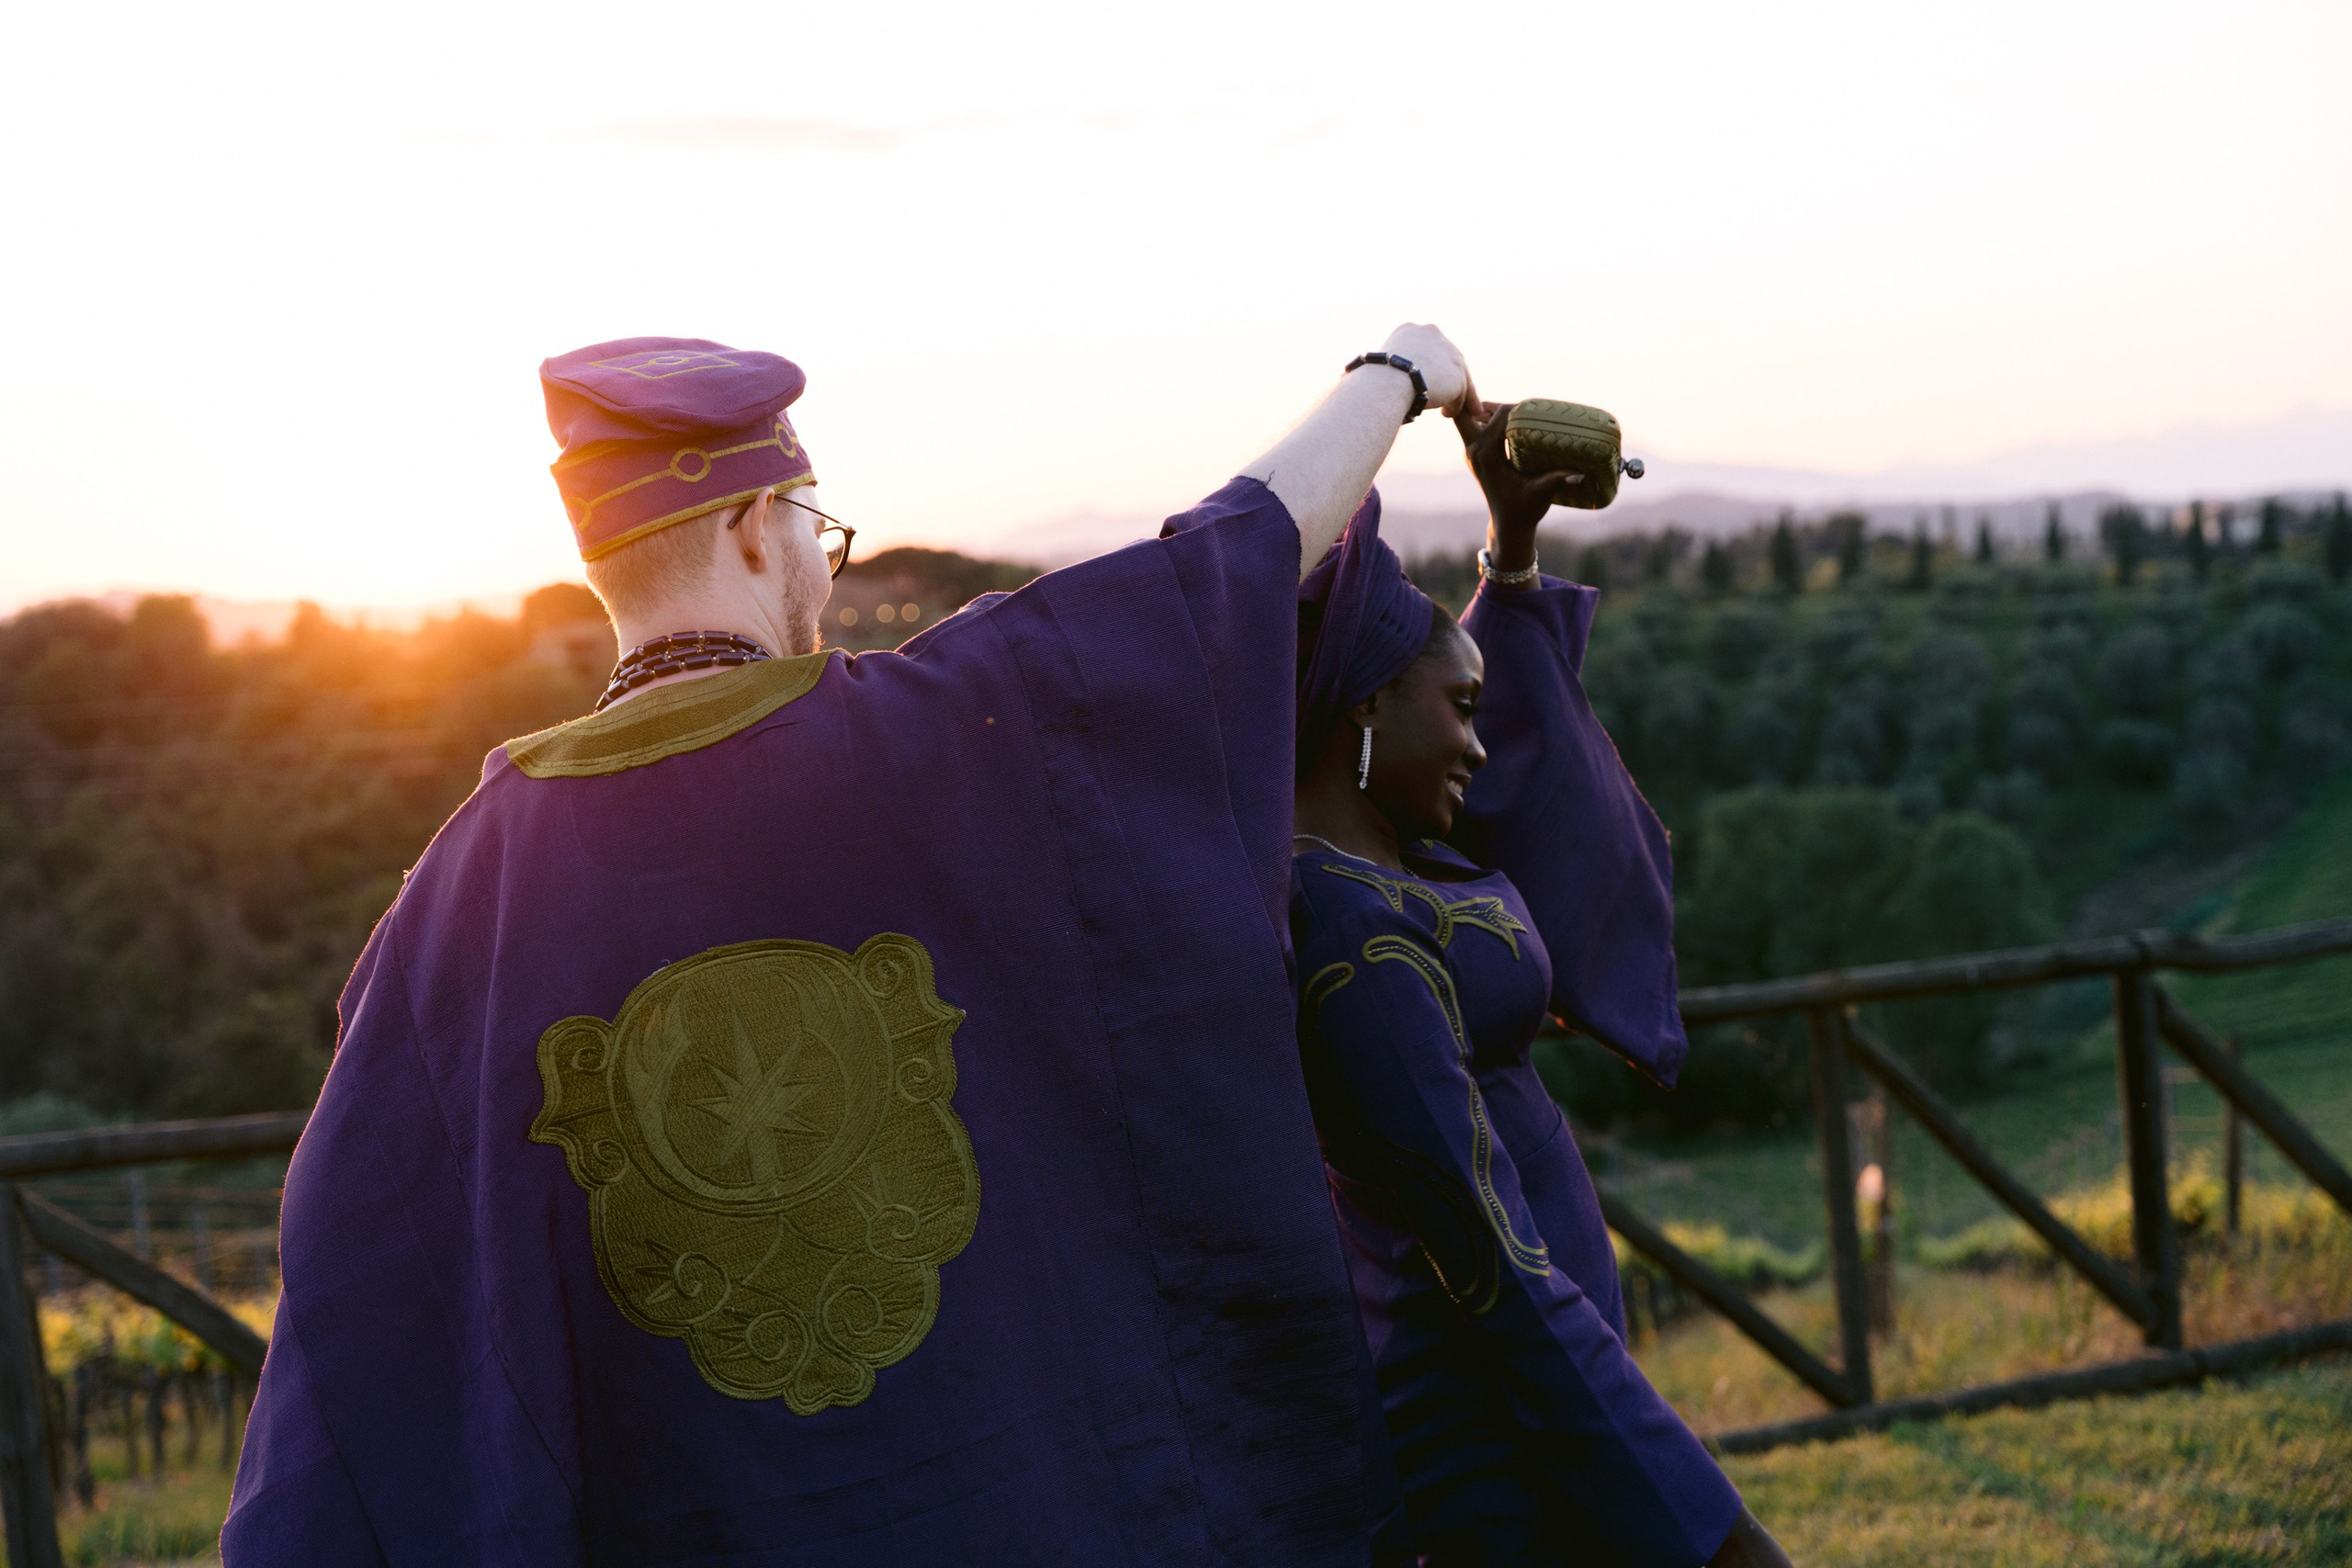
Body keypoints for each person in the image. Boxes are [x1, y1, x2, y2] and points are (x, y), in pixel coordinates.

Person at [221, 327, 1474, 1564]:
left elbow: (363, 1302)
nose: (820, 571)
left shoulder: (453, 900)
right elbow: (1233, 560)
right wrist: (1399, 372)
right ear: (757, 528)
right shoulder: (956, 735)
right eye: (818, 533)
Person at [1287, 400, 1792, 1567]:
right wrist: (1716, 1530)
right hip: (1496, 1423)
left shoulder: (1402, 863)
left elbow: (1500, 741)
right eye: (1458, 713)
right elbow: (1490, 1271)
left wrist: (1507, 551)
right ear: (1363, 701)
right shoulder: (1349, 940)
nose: (1478, 741)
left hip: (1549, 1388)